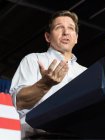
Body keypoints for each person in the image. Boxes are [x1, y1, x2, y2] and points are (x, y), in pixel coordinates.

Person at [9, 10, 87, 139]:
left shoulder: (85, 72)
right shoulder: (33, 60)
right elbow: (19, 102)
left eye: (71, 28)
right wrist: (45, 84)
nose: (66, 32)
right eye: (59, 27)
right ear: (48, 37)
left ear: (76, 38)